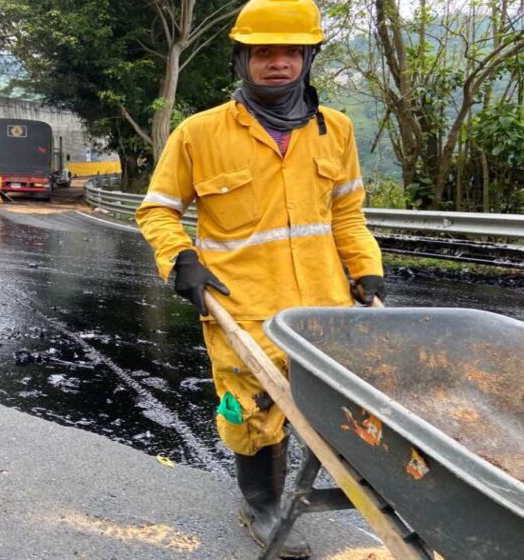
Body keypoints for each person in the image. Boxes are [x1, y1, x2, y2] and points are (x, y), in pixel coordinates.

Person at [135, 1, 384, 557]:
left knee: (338, 404)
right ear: (241, 59)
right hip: (242, 306)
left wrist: (366, 268)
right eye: (264, 52)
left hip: (325, 306)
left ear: (308, 58)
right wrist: (181, 260)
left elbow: (347, 213)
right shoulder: (200, 133)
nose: (278, 63)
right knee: (253, 412)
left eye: (291, 52)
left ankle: (353, 489)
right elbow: (158, 209)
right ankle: (263, 505)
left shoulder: (334, 130)